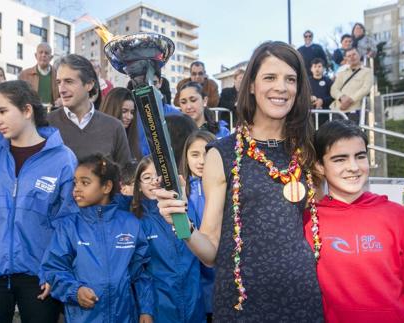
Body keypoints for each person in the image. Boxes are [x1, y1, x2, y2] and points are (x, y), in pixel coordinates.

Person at [154, 41, 324, 321]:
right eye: (270, 77)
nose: (281, 87)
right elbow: (210, 252)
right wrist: (180, 223)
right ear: (252, 86)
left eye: (290, 79)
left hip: (302, 300)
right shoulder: (221, 154)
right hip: (242, 305)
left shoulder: (306, 151)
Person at [0, 80, 77, 323]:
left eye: (2, 111)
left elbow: (68, 221)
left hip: (40, 275)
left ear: (26, 110)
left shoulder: (63, 159)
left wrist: (56, 269)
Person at [304, 119, 404, 322]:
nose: (353, 167)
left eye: (360, 156)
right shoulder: (307, 221)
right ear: (320, 166)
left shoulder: (398, 216)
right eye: (340, 159)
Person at [40, 154, 154, 323]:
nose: (76, 189)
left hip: (124, 316)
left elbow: (141, 273)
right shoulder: (68, 226)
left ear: (106, 187)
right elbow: (54, 269)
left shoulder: (130, 223)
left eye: (85, 182)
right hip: (83, 317)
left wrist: (146, 310)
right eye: (75, 182)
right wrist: (75, 291)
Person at [130, 156, 205, 322]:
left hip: (194, 302)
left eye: (157, 175)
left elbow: (203, 256)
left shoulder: (185, 209)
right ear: (139, 186)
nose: (153, 181)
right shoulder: (138, 221)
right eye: (146, 177)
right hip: (160, 307)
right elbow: (139, 271)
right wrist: (146, 309)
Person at [48, 54, 131, 166]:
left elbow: (125, 177)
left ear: (89, 85)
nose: (61, 90)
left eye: (68, 82)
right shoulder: (46, 124)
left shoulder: (114, 128)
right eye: (59, 82)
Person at [180, 130, 217, 321]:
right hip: (191, 280)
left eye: (207, 154)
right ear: (185, 158)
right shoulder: (181, 192)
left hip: (219, 280)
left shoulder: (226, 190)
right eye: (195, 154)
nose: (201, 161)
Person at [330, 47, 373, 123]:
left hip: (354, 110)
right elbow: (333, 89)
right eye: (349, 56)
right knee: (336, 134)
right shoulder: (342, 73)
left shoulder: (367, 72)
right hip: (338, 110)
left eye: (354, 54)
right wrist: (341, 97)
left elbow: (365, 89)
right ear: (346, 59)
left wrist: (350, 100)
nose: (352, 57)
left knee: (353, 134)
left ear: (359, 55)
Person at [99, 87, 141, 160]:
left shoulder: (133, 140)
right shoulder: (98, 140)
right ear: (112, 109)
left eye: (132, 112)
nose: (129, 117)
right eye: (124, 111)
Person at [19, 43, 62, 109]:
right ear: (36, 55)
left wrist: (62, 100)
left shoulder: (58, 75)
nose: (43, 55)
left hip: (53, 113)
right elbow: (19, 96)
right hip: (32, 114)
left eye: (46, 53)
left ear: (51, 57)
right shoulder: (24, 75)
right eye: (41, 52)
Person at [308, 58, 333, 127]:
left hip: (325, 114)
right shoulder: (306, 82)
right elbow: (301, 95)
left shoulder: (328, 81)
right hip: (309, 115)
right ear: (311, 69)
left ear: (323, 68)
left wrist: (322, 101)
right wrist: (308, 98)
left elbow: (333, 96)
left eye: (319, 66)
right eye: (315, 66)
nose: (317, 69)